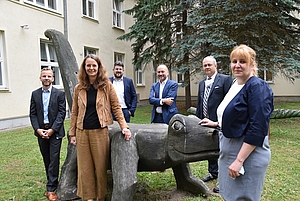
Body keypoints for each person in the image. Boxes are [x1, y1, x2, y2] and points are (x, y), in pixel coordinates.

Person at [199, 44, 274, 200]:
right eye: (234, 61)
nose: (237, 65)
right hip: (231, 151)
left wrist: (239, 160)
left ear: (252, 64)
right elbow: (238, 116)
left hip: (247, 154)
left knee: (243, 197)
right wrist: (217, 123)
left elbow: (258, 128)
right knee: (230, 195)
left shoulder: (257, 87)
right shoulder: (236, 84)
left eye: (242, 61)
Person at [69, 54, 131, 201]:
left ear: (99, 67)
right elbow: (75, 112)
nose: (91, 68)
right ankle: (89, 197)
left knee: (101, 167)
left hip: (100, 131)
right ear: (84, 68)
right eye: (88, 65)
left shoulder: (106, 86)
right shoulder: (79, 88)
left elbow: (116, 107)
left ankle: (100, 197)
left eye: (94, 65)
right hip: (82, 132)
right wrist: (72, 133)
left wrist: (124, 126)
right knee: (85, 169)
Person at [195, 56, 232, 192]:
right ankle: (213, 172)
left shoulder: (225, 80)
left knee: (223, 151)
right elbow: (200, 104)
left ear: (215, 66)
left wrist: (221, 121)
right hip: (205, 122)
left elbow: (229, 101)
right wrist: (198, 120)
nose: (207, 67)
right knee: (210, 149)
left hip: (220, 122)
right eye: (205, 65)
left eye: (209, 65)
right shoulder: (201, 84)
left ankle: (223, 180)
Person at [29, 67, 66, 201]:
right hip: (41, 131)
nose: (46, 78)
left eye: (49, 76)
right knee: (46, 158)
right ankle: (53, 181)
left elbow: (62, 113)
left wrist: (52, 130)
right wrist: (38, 130)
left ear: (53, 78)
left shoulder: (59, 94)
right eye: (44, 76)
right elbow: (32, 114)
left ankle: (50, 189)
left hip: (55, 132)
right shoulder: (35, 94)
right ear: (40, 78)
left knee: (54, 158)